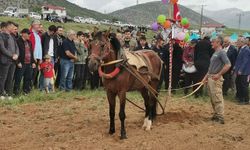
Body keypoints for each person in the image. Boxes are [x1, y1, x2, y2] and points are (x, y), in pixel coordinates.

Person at [204, 36, 231, 124]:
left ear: (218, 43)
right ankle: (216, 115)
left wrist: (219, 74)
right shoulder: (215, 52)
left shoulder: (222, 52)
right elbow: (210, 68)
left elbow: (228, 65)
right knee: (213, 98)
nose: (211, 43)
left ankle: (220, 117)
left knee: (217, 97)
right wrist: (205, 78)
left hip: (215, 79)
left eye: (213, 42)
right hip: (210, 77)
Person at [0, 21, 19, 100]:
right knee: (2, 78)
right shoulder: (1, 36)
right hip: (5, 60)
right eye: (11, 26)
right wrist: (12, 55)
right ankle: (1, 94)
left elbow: (16, 47)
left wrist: (17, 55)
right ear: (6, 27)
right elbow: (2, 49)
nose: (13, 28)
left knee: (10, 78)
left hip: (13, 61)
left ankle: (8, 93)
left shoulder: (12, 36)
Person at [14, 29, 36, 95]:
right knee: (18, 78)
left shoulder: (29, 42)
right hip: (21, 63)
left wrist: (33, 62)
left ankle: (26, 91)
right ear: (23, 34)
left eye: (30, 34)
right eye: (28, 33)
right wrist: (17, 62)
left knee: (28, 78)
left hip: (29, 63)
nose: (29, 35)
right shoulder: (17, 41)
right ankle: (16, 92)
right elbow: (15, 52)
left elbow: (31, 53)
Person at [234, 37, 250, 105]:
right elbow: (239, 60)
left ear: (242, 42)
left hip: (244, 71)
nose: (237, 42)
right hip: (239, 70)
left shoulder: (246, 50)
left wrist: (240, 70)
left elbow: (245, 61)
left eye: (238, 41)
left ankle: (245, 100)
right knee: (238, 83)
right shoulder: (242, 48)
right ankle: (240, 98)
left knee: (243, 85)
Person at [30, 20, 42, 88]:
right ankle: (28, 87)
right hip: (32, 57)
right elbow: (30, 46)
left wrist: (40, 58)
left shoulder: (38, 35)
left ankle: (31, 86)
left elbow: (39, 47)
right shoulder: (31, 34)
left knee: (35, 73)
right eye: (38, 25)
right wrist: (33, 56)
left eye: (39, 25)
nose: (39, 26)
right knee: (30, 74)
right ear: (33, 25)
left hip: (37, 57)